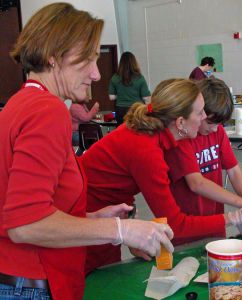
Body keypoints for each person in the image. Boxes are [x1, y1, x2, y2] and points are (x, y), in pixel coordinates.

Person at [0, 3, 173, 299]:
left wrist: (91, 219)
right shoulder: (48, 111)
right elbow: (24, 224)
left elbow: (23, 202)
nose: (96, 74)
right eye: (88, 61)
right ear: (54, 57)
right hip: (34, 280)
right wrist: (121, 230)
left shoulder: (21, 103)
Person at [81, 78, 242, 273]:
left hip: (107, 208)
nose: (204, 117)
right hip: (86, 211)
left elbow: (120, 181)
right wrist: (236, 216)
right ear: (180, 122)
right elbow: (176, 223)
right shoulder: (147, 149)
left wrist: (128, 221)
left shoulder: (157, 133)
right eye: (200, 113)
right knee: (94, 278)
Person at [164, 77, 242, 245]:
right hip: (186, 229)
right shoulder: (183, 137)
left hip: (215, 223)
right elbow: (196, 183)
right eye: (210, 122)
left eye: (219, 124)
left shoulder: (217, 132)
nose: (214, 128)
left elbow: (234, 171)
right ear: (198, 112)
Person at [109, 51, 151, 125]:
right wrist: (149, 111)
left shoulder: (115, 77)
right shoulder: (139, 78)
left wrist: (122, 95)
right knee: (136, 131)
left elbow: (111, 97)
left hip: (120, 109)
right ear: (134, 62)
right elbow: (146, 98)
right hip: (136, 109)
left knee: (122, 131)